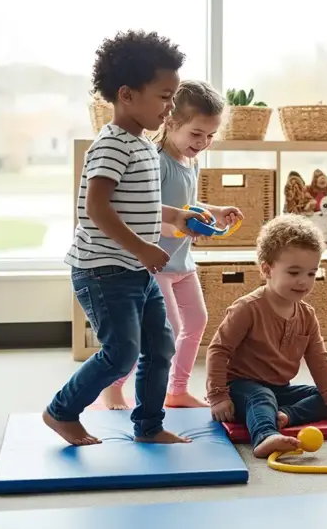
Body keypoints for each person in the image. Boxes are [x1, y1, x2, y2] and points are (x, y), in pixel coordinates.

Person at [44, 30, 206, 446]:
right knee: (121, 353)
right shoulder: (113, 144)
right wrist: (142, 247)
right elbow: (96, 208)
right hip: (103, 271)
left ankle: (149, 426)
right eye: (164, 96)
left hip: (135, 268)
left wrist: (179, 218)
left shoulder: (142, 146)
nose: (170, 107)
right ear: (127, 95)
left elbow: (143, 207)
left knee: (161, 345)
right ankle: (61, 411)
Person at [102, 80, 244, 410]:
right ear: (171, 122)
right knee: (164, 331)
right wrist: (178, 223)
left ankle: (177, 390)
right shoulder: (156, 161)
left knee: (196, 323)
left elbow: (187, 203)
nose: (204, 143)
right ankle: (114, 385)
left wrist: (215, 211)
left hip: (182, 262)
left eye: (210, 136)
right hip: (156, 264)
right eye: (196, 134)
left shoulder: (189, 162)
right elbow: (145, 208)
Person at [207, 214, 327, 459]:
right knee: (261, 396)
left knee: (323, 397)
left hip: (280, 390)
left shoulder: (307, 314)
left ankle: (285, 415)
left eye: (311, 274)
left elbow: (319, 359)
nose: (303, 281)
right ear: (267, 270)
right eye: (293, 272)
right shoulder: (247, 308)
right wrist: (218, 397)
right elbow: (218, 350)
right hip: (241, 388)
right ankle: (265, 435)